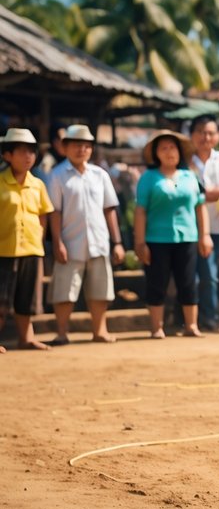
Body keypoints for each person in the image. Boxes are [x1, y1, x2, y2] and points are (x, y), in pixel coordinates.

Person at [47, 124, 123, 345]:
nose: (81, 149)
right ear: (66, 147)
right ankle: (62, 332)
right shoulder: (57, 175)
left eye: (86, 146)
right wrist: (57, 242)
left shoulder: (100, 175)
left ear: (91, 149)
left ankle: (99, 331)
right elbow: (55, 212)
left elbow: (109, 209)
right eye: (76, 145)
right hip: (70, 242)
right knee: (64, 290)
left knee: (101, 289)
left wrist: (117, 241)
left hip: (99, 240)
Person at [135, 130, 210, 339]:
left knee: (188, 281)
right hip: (156, 239)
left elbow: (200, 207)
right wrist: (139, 242)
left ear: (180, 152)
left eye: (172, 147)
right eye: (164, 148)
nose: (169, 152)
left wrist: (205, 235)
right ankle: (156, 327)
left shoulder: (190, 176)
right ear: (156, 154)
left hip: (187, 237)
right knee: (156, 281)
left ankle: (191, 326)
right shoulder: (148, 178)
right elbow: (140, 210)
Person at [0, 128, 54, 351]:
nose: (28, 156)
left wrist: (39, 238)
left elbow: (43, 214)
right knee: (1, 298)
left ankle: (26, 338)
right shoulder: (0, 182)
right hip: (4, 248)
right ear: (7, 155)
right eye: (21, 151)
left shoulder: (38, 184)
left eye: (31, 152)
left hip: (31, 248)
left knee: (26, 297)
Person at [188, 114, 219, 333]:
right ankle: (188, 320)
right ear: (192, 135)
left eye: (210, 132)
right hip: (185, 226)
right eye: (200, 132)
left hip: (213, 227)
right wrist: (208, 194)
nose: (205, 137)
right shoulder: (184, 159)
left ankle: (210, 318)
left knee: (209, 274)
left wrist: (196, 193)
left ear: (217, 136)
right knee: (188, 274)